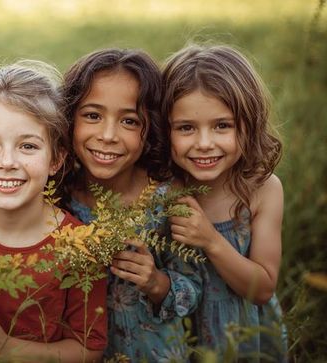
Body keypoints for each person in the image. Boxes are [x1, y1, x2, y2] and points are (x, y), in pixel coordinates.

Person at [0, 62, 107, 362]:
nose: (7, 161)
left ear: (56, 159)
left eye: (28, 146)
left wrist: (6, 349)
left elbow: (88, 350)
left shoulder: (80, 246)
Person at [61, 48, 203, 361]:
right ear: (69, 119)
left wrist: (155, 282)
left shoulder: (167, 199)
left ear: (151, 128)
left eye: (129, 120)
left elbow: (193, 290)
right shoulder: (58, 198)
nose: (108, 135)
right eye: (93, 116)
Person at [162, 44, 286, 361]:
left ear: (249, 123)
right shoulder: (161, 187)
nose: (204, 144)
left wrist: (210, 240)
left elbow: (262, 289)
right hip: (176, 333)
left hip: (240, 335)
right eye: (186, 128)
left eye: (222, 125)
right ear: (164, 130)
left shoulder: (262, 190)